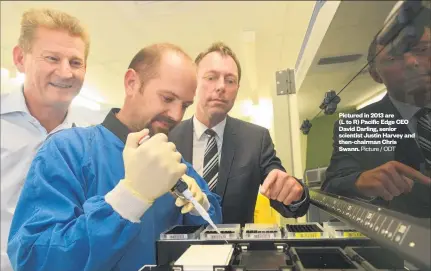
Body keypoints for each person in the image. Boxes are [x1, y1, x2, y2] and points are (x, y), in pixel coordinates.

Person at [7, 43, 222, 271]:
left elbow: (214, 232)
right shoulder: (67, 151)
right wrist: (128, 199)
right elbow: (35, 258)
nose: (176, 115)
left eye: (185, 105)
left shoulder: (177, 166)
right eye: (167, 99)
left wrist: (201, 205)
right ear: (132, 83)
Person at [169, 42, 309, 224]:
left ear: (237, 89)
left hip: (237, 250)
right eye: (211, 77)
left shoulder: (256, 139)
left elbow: (287, 199)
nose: (221, 87)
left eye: (230, 80)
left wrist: (294, 192)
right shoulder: (167, 137)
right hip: (179, 250)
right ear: (194, 83)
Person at [1, 8, 90, 271]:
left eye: (75, 62)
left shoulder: (88, 140)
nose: (65, 73)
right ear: (20, 58)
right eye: (52, 58)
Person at [322, 3, 431, 217]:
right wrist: (360, 182)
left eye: (422, 50)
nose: (412, 62)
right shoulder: (358, 125)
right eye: (393, 57)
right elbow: (332, 187)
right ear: (375, 75)